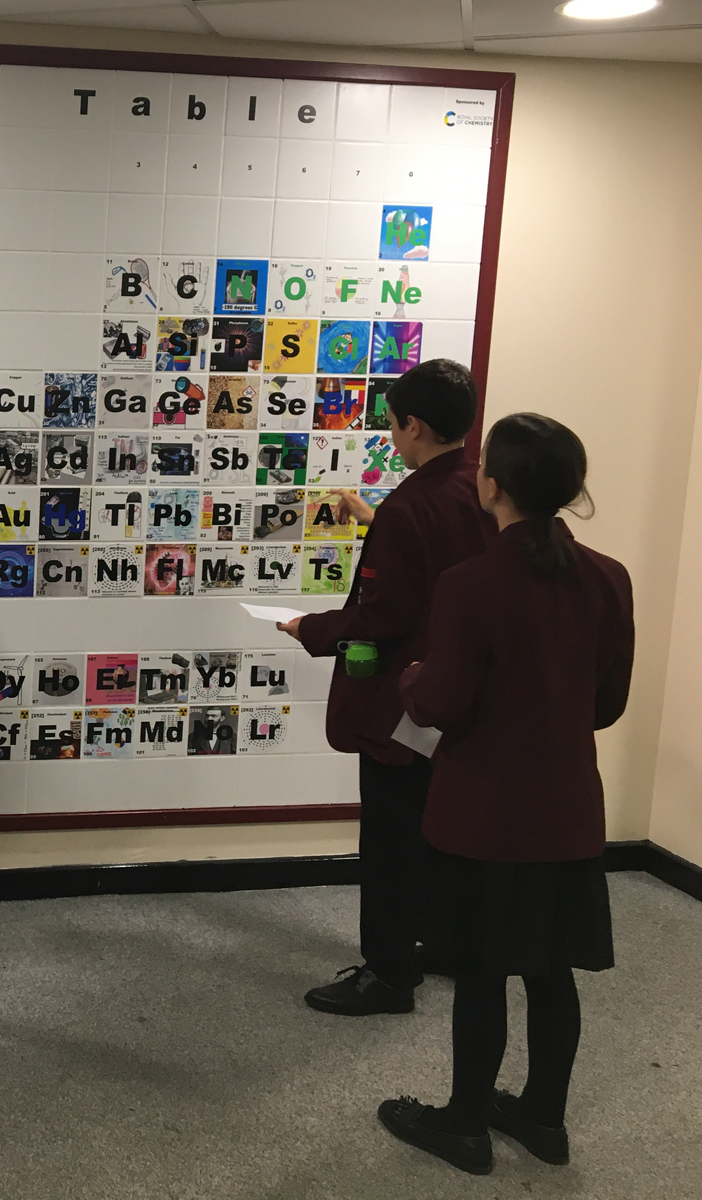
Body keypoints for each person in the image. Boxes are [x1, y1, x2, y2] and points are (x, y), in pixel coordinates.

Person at [376, 414, 633, 1174]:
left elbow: (441, 705)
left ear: (493, 485)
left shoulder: (470, 583)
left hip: (483, 813)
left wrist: (414, 679)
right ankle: (542, 1120)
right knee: (549, 971)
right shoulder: (608, 576)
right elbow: (606, 703)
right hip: (566, 812)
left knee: (482, 971)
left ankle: (462, 1123)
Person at [279, 359, 495, 1016]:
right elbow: (444, 564)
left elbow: (385, 616)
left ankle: (388, 974)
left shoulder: (409, 507)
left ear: (414, 426)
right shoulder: (481, 490)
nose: (390, 437)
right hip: (459, 693)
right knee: (442, 830)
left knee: (392, 837)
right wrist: (377, 518)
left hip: (403, 702)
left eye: (393, 425)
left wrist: (305, 627)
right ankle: (449, 944)